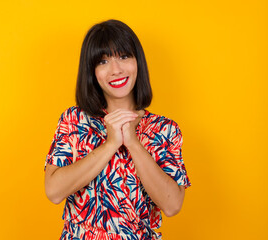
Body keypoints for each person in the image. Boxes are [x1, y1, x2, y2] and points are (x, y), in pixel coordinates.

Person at [44, 19, 191, 240]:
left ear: (137, 62)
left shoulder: (165, 129)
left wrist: (132, 142)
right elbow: (54, 191)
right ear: (92, 71)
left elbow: (172, 205)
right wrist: (111, 143)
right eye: (103, 61)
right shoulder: (75, 120)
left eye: (124, 57)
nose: (116, 70)